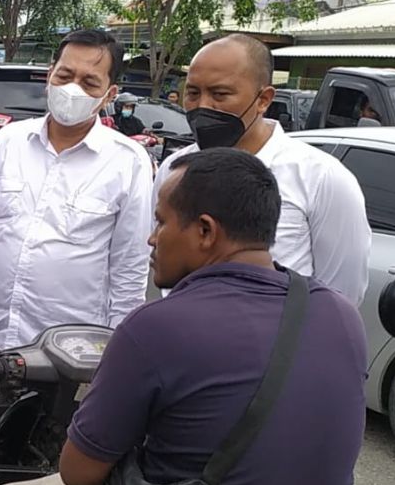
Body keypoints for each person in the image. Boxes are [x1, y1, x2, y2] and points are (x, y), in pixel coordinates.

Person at [0, 148, 365, 485]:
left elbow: (78, 478)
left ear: (205, 231)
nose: (150, 238)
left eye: (161, 222)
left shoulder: (157, 326)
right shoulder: (339, 313)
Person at [0, 29, 153, 449]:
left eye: (89, 82)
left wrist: (117, 357)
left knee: (54, 470)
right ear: (49, 77)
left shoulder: (126, 162)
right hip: (1, 339)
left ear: (109, 93)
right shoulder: (9, 141)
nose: (72, 88)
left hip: (76, 356)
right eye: (64, 75)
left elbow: (130, 267)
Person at [156, 34, 371, 305]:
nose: (203, 107)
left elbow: (341, 294)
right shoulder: (174, 172)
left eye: (220, 94)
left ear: (264, 99)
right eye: (193, 93)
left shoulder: (321, 178)